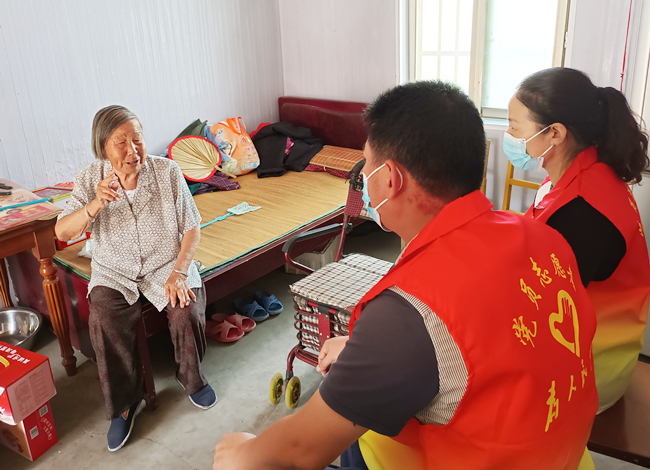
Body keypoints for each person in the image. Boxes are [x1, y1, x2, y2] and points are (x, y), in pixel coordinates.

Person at [212, 81, 598, 470]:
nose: (362, 177)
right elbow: (485, 337)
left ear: (391, 179)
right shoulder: (543, 235)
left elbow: (299, 451)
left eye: (366, 163)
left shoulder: (412, 308)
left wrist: (241, 452)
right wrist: (367, 349)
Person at [55, 105, 217, 452]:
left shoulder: (167, 171)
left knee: (186, 310)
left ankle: (191, 377)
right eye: (121, 142)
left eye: (137, 139)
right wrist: (94, 205)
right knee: (102, 316)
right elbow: (63, 231)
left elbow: (192, 227)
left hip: (166, 264)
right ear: (103, 147)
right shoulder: (89, 179)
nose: (132, 150)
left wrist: (179, 272)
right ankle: (126, 403)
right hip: (115, 269)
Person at [504, 67, 650, 413]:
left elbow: (544, 301)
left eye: (514, 126)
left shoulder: (585, 211)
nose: (508, 135)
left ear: (554, 133)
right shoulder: (571, 174)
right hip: (579, 339)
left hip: (589, 367)